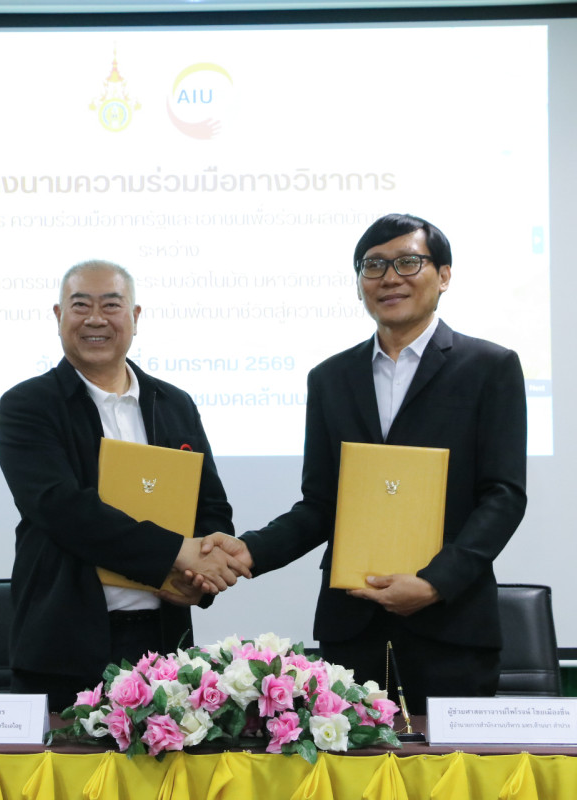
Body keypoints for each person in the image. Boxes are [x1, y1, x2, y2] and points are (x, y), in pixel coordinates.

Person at [198, 214, 527, 711]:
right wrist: (249, 551)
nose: (389, 278)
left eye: (408, 262)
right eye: (373, 266)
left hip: (452, 626)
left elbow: (503, 496)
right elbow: (320, 505)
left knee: (449, 763)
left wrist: (436, 582)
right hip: (352, 628)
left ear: (444, 275)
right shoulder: (330, 378)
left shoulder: (489, 368)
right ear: (358, 285)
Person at [0, 259, 247, 710]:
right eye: (81, 306)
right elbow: (63, 509)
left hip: (165, 648)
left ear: (135, 316)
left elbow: (210, 506)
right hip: (63, 648)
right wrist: (177, 552)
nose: (96, 319)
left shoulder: (173, 403)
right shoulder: (28, 405)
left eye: (111, 305)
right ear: (59, 316)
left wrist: (199, 575)